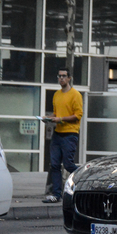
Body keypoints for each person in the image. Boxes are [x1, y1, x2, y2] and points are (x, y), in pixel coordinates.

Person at [42, 68, 83, 203]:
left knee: (68, 164)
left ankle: (83, 182)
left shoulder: (75, 95)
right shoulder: (56, 95)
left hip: (70, 134)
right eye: (59, 76)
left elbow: (77, 116)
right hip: (57, 134)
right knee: (54, 165)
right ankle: (56, 195)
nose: (61, 78)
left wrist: (60, 119)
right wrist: (48, 118)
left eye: (64, 76)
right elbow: (56, 113)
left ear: (69, 78)